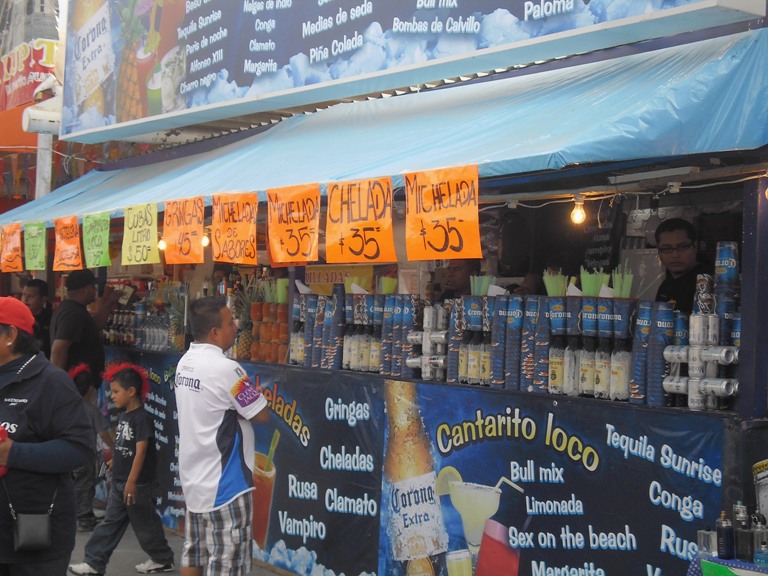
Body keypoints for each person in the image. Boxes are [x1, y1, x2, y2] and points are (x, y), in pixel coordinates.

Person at [175, 296, 269, 576]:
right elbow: (260, 414)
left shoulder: (185, 363)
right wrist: (243, 406)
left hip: (194, 479)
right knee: (227, 565)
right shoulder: (227, 369)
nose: (236, 327)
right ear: (215, 332)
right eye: (230, 323)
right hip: (226, 485)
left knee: (194, 552)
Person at [0, 296, 94, 575]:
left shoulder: (50, 382)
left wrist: (13, 453)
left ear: (10, 336)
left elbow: (79, 448)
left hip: (34, 537)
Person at [68, 363, 175, 576]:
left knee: (145, 525)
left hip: (136, 485)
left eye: (116, 391)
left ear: (131, 391)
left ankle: (162, 559)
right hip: (120, 481)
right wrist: (115, 462)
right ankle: (94, 563)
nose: (112, 396)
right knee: (110, 523)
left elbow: (141, 451)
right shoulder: (125, 415)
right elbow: (124, 446)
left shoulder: (142, 418)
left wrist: (132, 482)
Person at [50, 269, 120, 389]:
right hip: (76, 385)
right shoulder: (72, 313)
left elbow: (95, 326)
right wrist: (59, 384)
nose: (95, 291)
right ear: (85, 290)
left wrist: (109, 302)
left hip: (81, 384)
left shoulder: (74, 309)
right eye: (93, 287)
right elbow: (58, 350)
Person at [69, 364, 114, 533]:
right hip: (84, 455)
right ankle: (84, 518)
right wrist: (114, 447)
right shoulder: (91, 410)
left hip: (67, 453)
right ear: (90, 389)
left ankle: (73, 515)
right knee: (85, 486)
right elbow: (103, 433)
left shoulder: (67, 407)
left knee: (71, 485)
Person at [654, 218, 710, 315]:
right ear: (659, 251)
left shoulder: (707, 284)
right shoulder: (665, 286)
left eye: (682, 247)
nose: (675, 255)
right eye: (667, 248)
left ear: (695, 246)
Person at [21, 278, 52, 357]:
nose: (25, 299)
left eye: (31, 296)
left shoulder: (51, 319)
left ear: (43, 299)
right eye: (23, 295)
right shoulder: (17, 317)